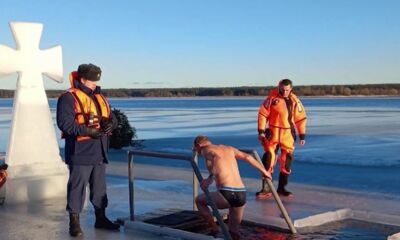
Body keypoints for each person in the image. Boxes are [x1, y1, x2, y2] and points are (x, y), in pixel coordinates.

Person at [57, 63, 120, 237]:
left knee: (100, 188)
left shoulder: (99, 96)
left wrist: (110, 124)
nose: (94, 83)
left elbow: (112, 117)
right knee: (77, 188)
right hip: (80, 151)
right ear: (82, 78)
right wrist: (88, 131)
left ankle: (101, 218)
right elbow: (65, 124)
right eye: (91, 80)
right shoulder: (68, 98)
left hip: (100, 151)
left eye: (96, 80)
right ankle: (74, 222)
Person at [193, 135, 271, 240]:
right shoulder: (229, 148)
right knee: (234, 233)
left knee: (199, 201)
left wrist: (209, 179)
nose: (197, 152)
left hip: (226, 194)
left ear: (199, 145)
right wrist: (264, 171)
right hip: (241, 194)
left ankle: (214, 228)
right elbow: (248, 157)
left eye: (195, 149)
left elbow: (217, 158)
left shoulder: (205, 149)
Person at [256, 79, 307, 199]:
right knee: (269, 158)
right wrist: (261, 131)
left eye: (287, 90)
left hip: (287, 133)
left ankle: (282, 187)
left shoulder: (295, 101)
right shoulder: (271, 99)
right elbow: (263, 114)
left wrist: (302, 135)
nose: (284, 92)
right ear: (278, 88)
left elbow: (301, 118)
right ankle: (266, 188)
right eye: (282, 90)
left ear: (291, 89)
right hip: (272, 133)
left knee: (287, 160)